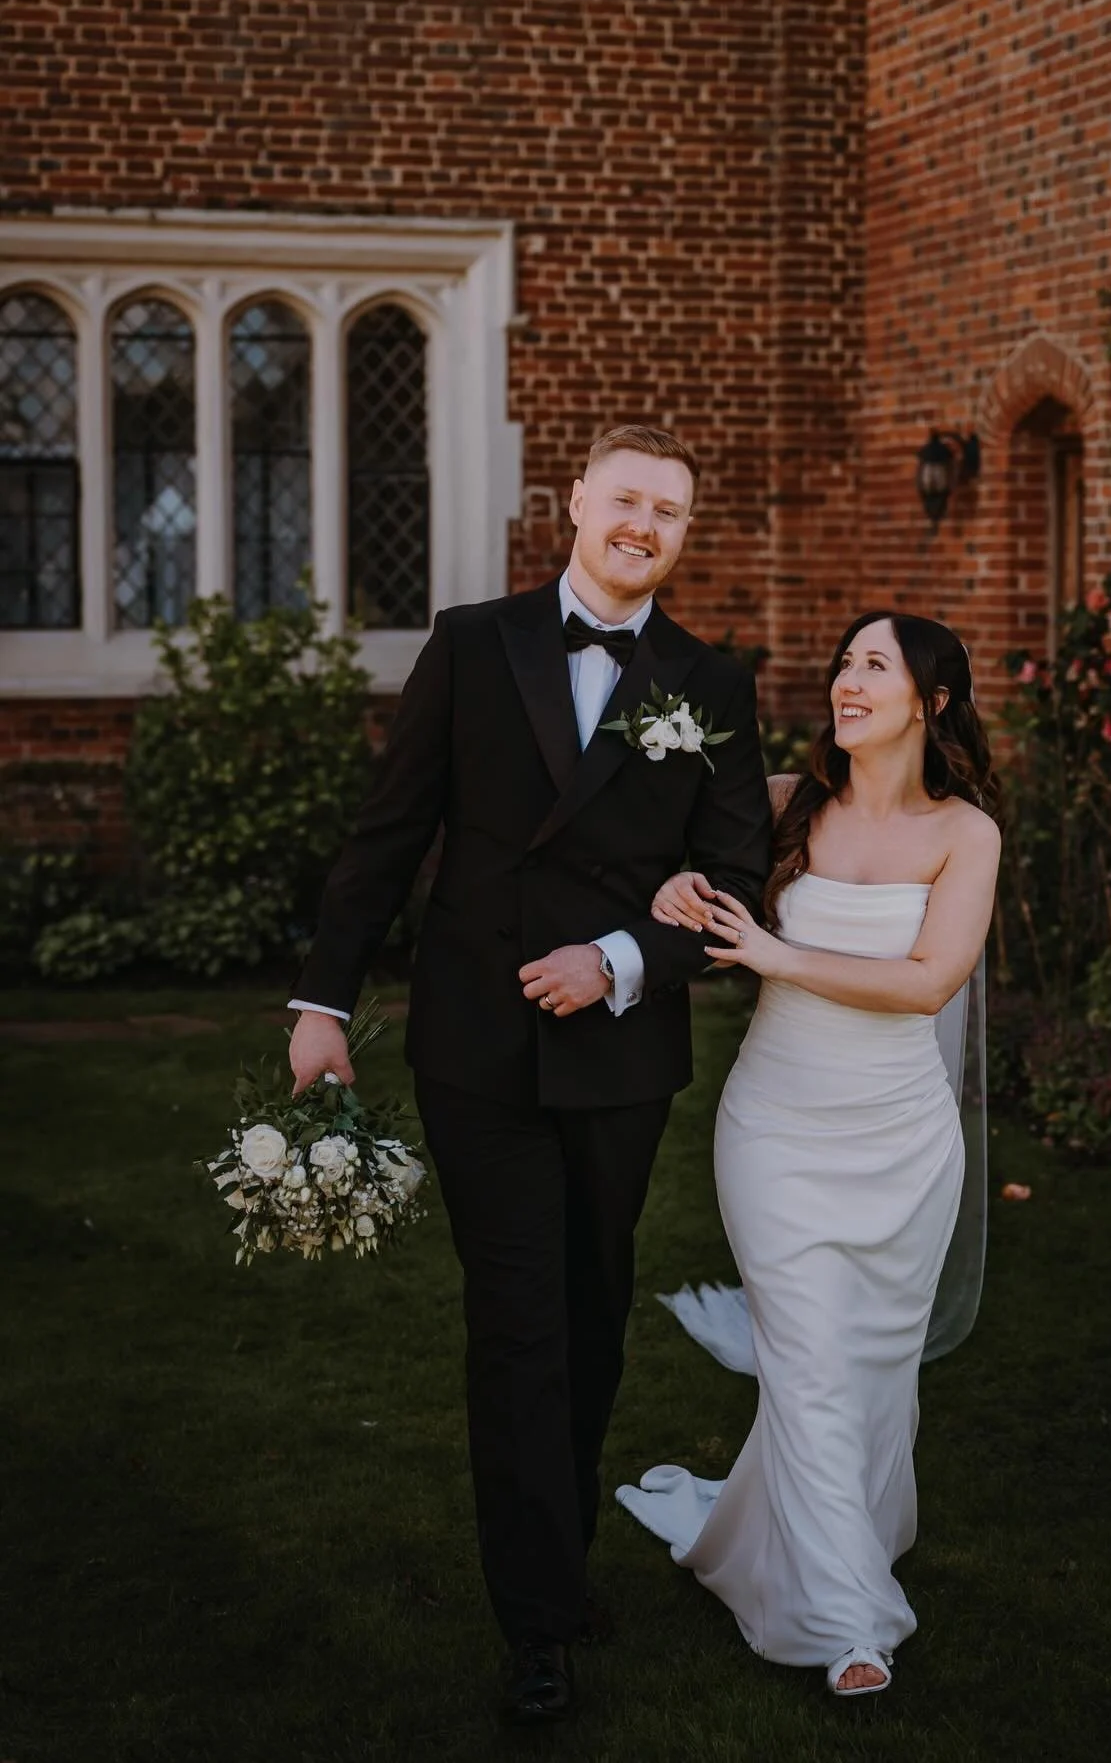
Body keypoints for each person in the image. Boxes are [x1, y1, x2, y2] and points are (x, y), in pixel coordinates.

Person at [286, 425, 772, 1727]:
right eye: (627, 499)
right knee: (518, 1324)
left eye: (668, 510)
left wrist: (618, 957)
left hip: (620, 1054)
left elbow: (738, 879)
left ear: (683, 532)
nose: (643, 524)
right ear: (576, 503)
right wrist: (324, 1001)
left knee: (592, 1312)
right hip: (479, 1046)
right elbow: (391, 831)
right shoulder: (472, 642)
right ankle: (538, 1621)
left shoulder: (711, 681)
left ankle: (554, 1559)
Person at [617, 611, 1001, 1698]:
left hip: (902, 1140)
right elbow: (684, 884)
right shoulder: (785, 801)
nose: (847, 680)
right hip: (777, 1130)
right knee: (810, 1365)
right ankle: (852, 1622)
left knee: (870, 1368)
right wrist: (673, 891)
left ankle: (826, 1533)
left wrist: (778, 953)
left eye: (875, 664)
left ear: (930, 701)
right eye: (844, 662)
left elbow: (929, 981)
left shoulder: (965, 834)